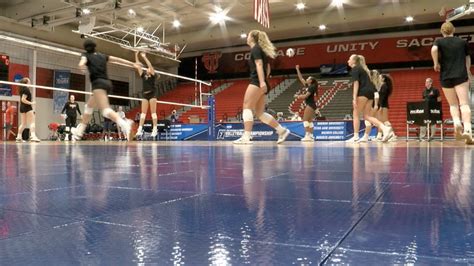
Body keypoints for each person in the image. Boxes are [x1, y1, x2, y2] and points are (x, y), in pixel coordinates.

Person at [72, 39, 137, 141]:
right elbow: (117, 59)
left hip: (98, 84)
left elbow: (82, 63)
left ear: (86, 48)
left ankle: (125, 124)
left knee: (105, 111)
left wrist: (82, 67)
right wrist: (132, 64)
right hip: (106, 83)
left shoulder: (85, 55)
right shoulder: (102, 55)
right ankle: (80, 131)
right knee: (88, 106)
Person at [233, 30, 290, 144]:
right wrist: (265, 81)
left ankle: (246, 137)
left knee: (247, 107)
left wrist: (261, 82)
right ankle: (282, 130)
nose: (247, 37)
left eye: (248, 35)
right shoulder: (260, 49)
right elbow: (267, 67)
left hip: (257, 82)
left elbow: (259, 64)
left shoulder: (256, 49)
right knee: (260, 114)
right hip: (262, 82)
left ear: (252, 38)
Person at [432, 22, 472, 144]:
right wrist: (468, 71)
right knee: (464, 104)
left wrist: (435, 63)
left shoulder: (439, 41)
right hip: (460, 75)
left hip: (446, 76)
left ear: (442, 31)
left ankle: (456, 123)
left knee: (453, 105)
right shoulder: (461, 42)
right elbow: (467, 58)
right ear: (453, 29)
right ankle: (468, 131)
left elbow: (433, 49)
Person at [346, 54, 393, 143]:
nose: (348, 60)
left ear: (354, 61)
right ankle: (385, 128)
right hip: (371, 93)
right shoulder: (364, 70)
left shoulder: (355, 68)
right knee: (367, 116)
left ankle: (355, 136)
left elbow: (356, 83)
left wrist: (354, 98)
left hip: (363, 92)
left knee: (355, 114)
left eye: (349, 59)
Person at [134, 52, 159, 139]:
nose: (147, 68)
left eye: (148, 68)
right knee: (143, 114)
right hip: (145, 95)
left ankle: (155, 129)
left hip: (152, 94)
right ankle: (140, 129)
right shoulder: (143, 75)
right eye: (147, 68)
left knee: (153, 113)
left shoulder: (152, 75)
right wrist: (136, 54)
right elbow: (138, 66)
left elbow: (150, 65)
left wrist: (144, 57)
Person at [295, 64, 318, 142]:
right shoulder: (308, 86)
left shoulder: (312, 87)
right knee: (309, 121)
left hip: (310, 105)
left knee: (305, 119)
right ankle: (311, 136)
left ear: (311, 81)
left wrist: (297, 96)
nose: (307, 79)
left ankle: (307, 135)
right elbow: (300, 78)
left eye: (308, 78)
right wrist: (297, 69)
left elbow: (305, 96)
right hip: (312, 105)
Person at [15, 78, 40, 142]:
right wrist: (32, 103)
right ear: (26, 82)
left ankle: (19, 137)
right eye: (29, 81)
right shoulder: (26, 89)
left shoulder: (22, 89)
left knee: (23, 124)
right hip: (27, 107)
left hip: (22, 107)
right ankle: (33, 136)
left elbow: (22, 100)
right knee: (32, 122)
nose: (30, 82)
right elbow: (23, 99)